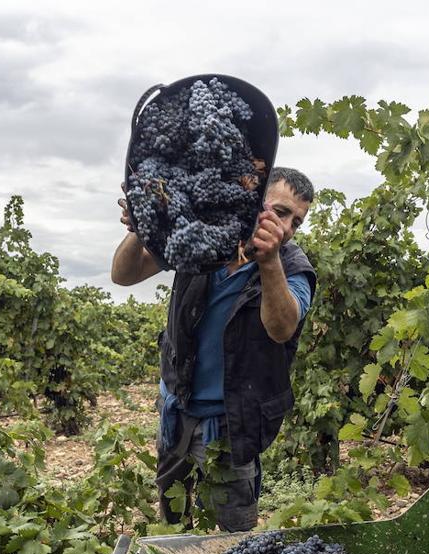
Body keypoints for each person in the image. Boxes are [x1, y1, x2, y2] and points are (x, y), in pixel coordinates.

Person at [112, 167, 317, 531]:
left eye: (296, 222)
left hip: (230, 426)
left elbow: (282, 327)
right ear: (253, 197)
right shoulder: (204, 236)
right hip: (176, 410)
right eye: (281, 212)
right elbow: (124, 274)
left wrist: (269, 263)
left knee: (234, 539)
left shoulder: (292, 266)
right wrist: (139, 230)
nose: (286, 229)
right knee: (173, 523)